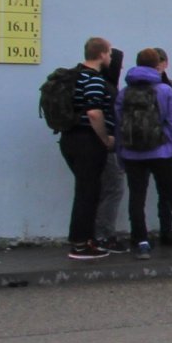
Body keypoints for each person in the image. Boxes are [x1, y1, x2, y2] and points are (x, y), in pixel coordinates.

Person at [117, 48, 172, 259]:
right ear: (156, 64)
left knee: (136, 199)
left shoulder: (124, 92)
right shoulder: (165, 90)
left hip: (132, 154)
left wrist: (121, 155)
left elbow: (119, 127)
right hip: (162, 152)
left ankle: (142, 244)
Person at [53, 36, 118, 260]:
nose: (110, 57)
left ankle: (84, 239)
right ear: (101, 54)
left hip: (70, 139)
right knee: (87, 192)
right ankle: (81, 245)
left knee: (86, 190)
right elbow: (94, 112)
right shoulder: (93, 79)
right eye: (109, 53)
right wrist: (105, 139)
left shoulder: (75, 76)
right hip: (87, 141)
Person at [93, 45, 130, 249]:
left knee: (100, 189)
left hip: (92, 146)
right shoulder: (107, 86)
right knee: (114, 188)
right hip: (105, 146)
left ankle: (95, 233)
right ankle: (104, 235)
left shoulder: (98, 82)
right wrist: (108, 139)